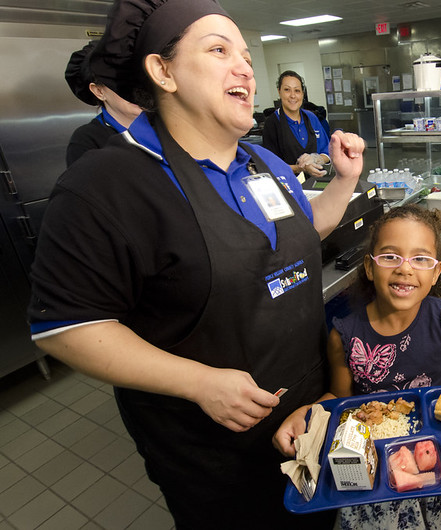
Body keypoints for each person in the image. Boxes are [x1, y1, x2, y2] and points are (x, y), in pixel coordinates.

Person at [27, 1, 365, 528]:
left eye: (247, 56)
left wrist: (344, 182)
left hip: (305, 413)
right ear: (163, 72)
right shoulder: (107, 183)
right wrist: (199, 382)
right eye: (219, 50)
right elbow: (65, 327)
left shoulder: (263, 162)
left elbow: (295, 237)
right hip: (211, 449)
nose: (246, 67)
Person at [276, 204, 441, 530]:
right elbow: (338, 399)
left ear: (436, 272)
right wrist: (307, 412)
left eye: (420, 259)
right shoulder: (345, 334)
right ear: (369, 267)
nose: (405, 269)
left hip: (437, 459)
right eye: (390, 256)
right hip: (375, 468)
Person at [64, 40, 142, 165]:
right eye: (122, 84)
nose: (136, 91)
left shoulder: (165, 124)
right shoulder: (87, 141)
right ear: (99, 91)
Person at [262, 70, 331, 178]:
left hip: (315, 183)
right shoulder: (272, 123)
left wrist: (317, 158)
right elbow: (271, 165)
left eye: (297, 91)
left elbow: (328, 152)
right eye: (287, 90)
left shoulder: (311, 117)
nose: (293, 95)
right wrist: (300, 168)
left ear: (302, 94)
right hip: (288, 185)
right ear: (279, 91)